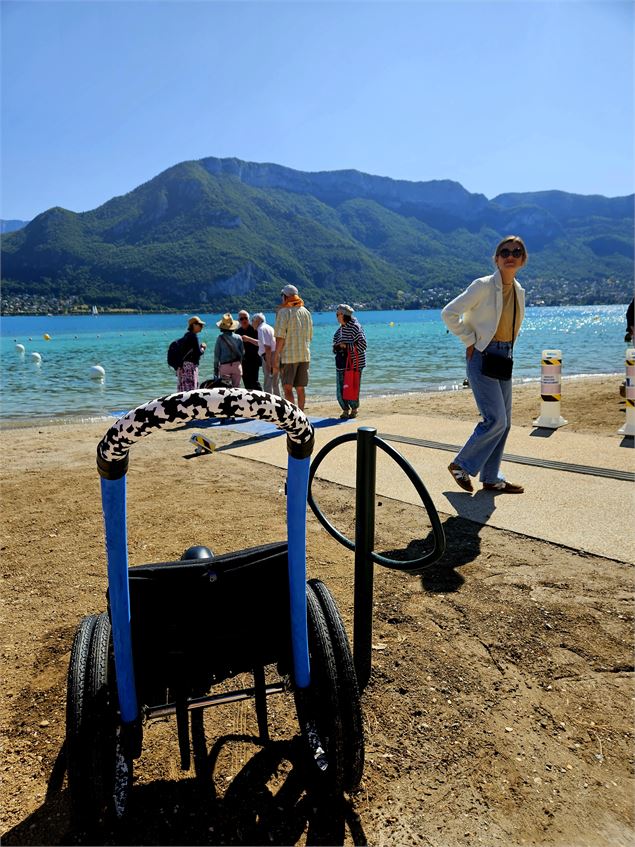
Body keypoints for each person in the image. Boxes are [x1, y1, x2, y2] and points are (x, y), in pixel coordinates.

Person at [442, 235, 527, 494]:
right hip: (482, 356)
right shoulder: (482, 286)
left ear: (523, 259)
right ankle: (461, 464)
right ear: (497, 258)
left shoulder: (519, 290)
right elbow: (449, 313)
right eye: (505, 251)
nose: (510, 255)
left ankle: (491, 478)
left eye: (516, 251)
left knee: (505, 422)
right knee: (495, 420)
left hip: (504, 357)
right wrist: (470, 339)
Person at [273, 284, 313, 410]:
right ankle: (301, 417)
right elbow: (310, 336)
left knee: (287, 387)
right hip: (304, 355)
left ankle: (292, 417)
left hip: (289, 356)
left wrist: (275, 356)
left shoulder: (283, 312)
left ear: (285, 297)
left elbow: (280, 337)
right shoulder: (306, 312)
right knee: (300, 388)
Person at [333, 304, 367, 419]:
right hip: (341, 362)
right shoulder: (340, 330)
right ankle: (345, 409)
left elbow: (363, 345)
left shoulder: (355, 327)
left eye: (337, 314)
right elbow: (335, 346)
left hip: (354, 363)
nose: (336, 317)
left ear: (343, 315)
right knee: (340, 389)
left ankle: (354, 409)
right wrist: (337, 347)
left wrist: (346, 346)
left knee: (351, 387)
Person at [252, 312, 280, 396]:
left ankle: (269, 403)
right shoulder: (269, 327)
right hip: (275, 355)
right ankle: (279, 402)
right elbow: (262, 344)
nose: (251, 323)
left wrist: (268, 363)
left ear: (258, 320)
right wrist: (249, 339)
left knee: (268, 382)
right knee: (275, 383)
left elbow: (267, 347)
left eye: (252, 320)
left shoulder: (261, 329)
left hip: (269, 356)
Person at [176, 316, 207, 392]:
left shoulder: (186, 335)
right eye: (200, 325)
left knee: (183, 390)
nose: (202, 327)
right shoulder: (193, 337)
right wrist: (203, 348)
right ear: (194, 325)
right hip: (190, 367)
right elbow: (198, 353)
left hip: (183, 366)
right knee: (191, 390)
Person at [213, 313, 244, 387]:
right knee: (237, 390)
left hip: (225, 367)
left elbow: (216, 356)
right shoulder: (239, 337)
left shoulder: (220, 338)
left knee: (226, 391)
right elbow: (242, 353)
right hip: (237, 366)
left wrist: (216, 371)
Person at [236, 309, 262, 390]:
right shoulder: (237, 332)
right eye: (241, 319)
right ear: (238, 321)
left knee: (255, 382)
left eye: (245, 318)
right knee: (246, 383)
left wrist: (248, 339)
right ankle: (250, 401)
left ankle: (261, 399)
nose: (244, 320)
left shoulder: (255, 329)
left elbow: (261, 343)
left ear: (249, 319)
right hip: (243, 361)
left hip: (254, 360)